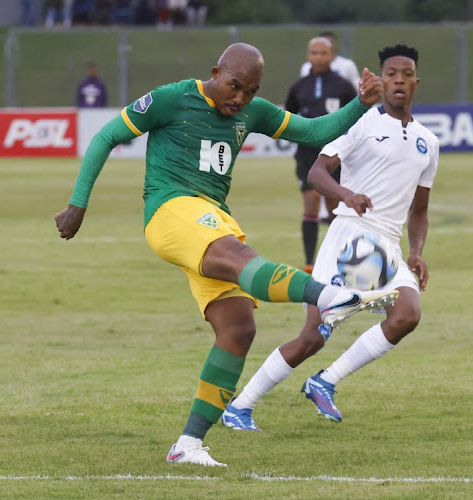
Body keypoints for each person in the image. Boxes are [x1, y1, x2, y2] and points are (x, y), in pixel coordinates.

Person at [54, 43, 399, 467]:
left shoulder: (251, 112)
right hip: (171, 210)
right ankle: (327, 295)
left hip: (211, 217)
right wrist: (78, 203)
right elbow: (108, 135)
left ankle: (188, 445)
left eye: (250, 91)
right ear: (215, 72)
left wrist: (360, 104)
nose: (240, 99)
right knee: (239, 255)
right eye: (234, 86)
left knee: (238, 328)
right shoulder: (171, 98)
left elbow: (312, 132)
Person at [222, 44, 439, 431]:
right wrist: (347, 195)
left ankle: (324, 381)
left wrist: (416, 252)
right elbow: (318, 173)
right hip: (351, 237)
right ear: (380, 80)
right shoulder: (361, 122)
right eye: (391, 74)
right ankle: (240, 405)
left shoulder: (428, 141)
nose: (399, 80)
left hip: (388, 244)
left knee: (407, 315)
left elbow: (419, 210)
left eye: (406, 74)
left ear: (416, 82)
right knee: (313, 335)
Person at [285, 37, 357, 274]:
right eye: (314, 52)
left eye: (323, 53)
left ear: (332, 56)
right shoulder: (298, 86)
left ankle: (337, 259)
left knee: (334, 206)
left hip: (335, 155)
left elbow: (357, 116)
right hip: (306, 155)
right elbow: (288, 117)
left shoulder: (344, 86)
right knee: (311, 202)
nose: (318, 57)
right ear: (308, 55)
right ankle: (309, 262)